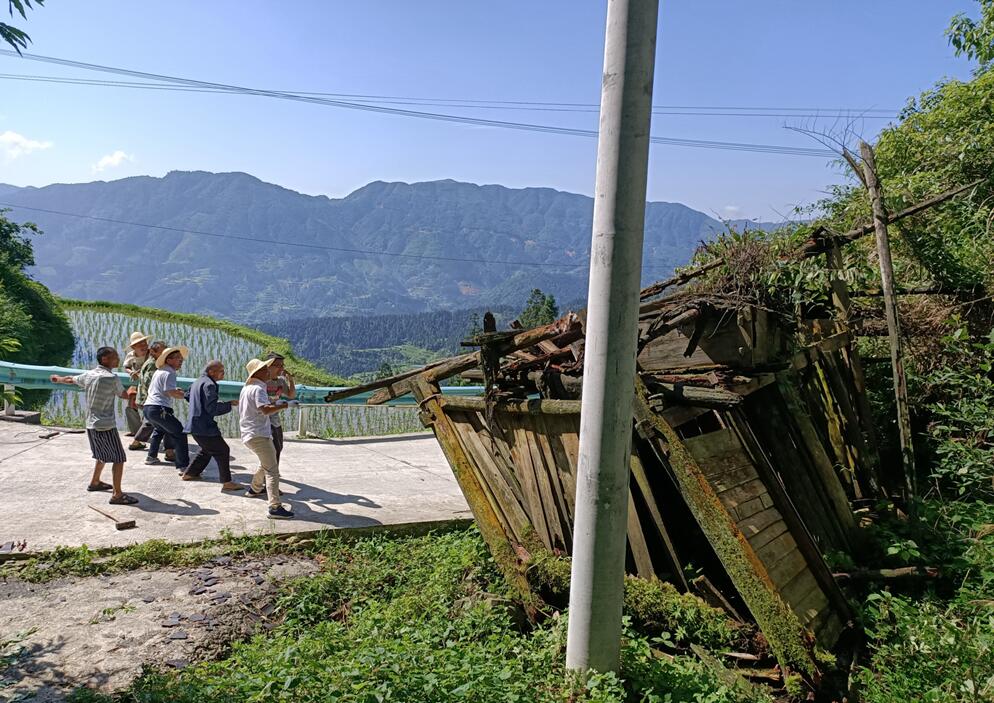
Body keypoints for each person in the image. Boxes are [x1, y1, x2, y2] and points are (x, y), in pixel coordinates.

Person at [50, 346, 139, 505]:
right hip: (105, 425)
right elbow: (124, 395)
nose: (118, 359)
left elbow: (71, 379)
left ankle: (95, 482)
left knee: (101, 454)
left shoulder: (89, 374)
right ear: (105, 359)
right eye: (115, 357)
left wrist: (58, 378)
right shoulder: (111, 378)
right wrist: (133, 391)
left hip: (91, 424)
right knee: (119, 458)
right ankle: (117, 494)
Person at [239, 358, 293, 519]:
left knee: (266, 463)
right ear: (258, 372)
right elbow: (266, 409)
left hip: (249, 434)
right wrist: (286, 405)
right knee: (272, 470)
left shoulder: (247, 388)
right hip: (258, 434)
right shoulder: (258, 389)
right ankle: (274, 507)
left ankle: (254, 488)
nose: (268, 371)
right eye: (265, 369)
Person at [182, 360, 241, 491]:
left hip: (195, 424)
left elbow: (187, 395)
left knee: (207, 449)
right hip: (204, 426)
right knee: (223, 450)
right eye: (221, 371)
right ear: (211, 372)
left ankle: (190, 473)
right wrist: (229, 404)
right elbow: (212, 409)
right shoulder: (210, 385)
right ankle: (227, 482)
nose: (223, 373)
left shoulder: (197, 381)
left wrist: (197, 404)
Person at [143, 345, 191, 474]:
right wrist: (188, 396)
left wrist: (177, 391)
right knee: (180, 433)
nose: (181, 361)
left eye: (181, 359)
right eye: (177, 358)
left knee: (160, 430)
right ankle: (184, 466)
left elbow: (164, 390)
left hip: (148, 408)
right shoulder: (170, 372)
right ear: (168, 360)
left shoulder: (160, 371)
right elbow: (170, 392)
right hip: (160, 408)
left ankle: (151, 456)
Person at [135, 340, 176, 464]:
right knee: (168, 426)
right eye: (162, 351)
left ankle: (156, 453)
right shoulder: (155, 365)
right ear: (152, 352)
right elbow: (150, 383)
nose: (165, 353)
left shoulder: (153, 362)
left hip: (149, 400)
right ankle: (169, 452)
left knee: (159, 426)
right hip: (152, 401)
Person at [264, 352, 296, 465]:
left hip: (275, 419)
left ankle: (267, 474)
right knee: (274, 449)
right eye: (278, 365)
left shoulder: (280, 381)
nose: (282, 368)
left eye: (282, 365)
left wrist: (290, 380)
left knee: (279, 446)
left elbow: (291, 395)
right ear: (269, 366)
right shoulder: (262, 381)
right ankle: (272, 475)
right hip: (264, 420)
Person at [122, 331, 151, 449]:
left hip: (149, 386)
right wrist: (132, 372)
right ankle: (136, 431)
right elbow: (126, 367)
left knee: (148, 409)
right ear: (134, 347)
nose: (144, 346)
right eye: (140, 344)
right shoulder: (131, 355)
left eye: (144, 343)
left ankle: (144, 434)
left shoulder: (151, 353)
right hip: (137, 384)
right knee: (131, 405)